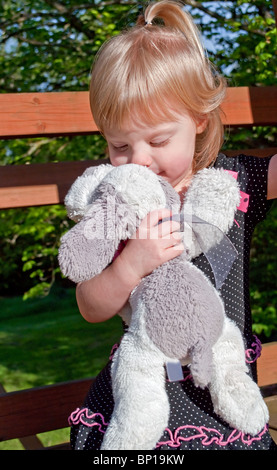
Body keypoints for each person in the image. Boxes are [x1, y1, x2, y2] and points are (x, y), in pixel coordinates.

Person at [69, 0, 277, 450]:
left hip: (224, 390)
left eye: (158, 140)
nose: (139, 159)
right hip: (147, 396)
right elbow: (89, 305)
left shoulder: (234, 184)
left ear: (199, 120)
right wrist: (130, 267)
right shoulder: (119, 201)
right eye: (119, 144)